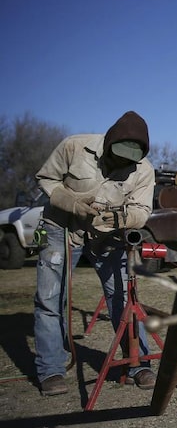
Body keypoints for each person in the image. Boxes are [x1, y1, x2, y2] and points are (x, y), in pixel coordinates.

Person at [34, 111, 157, 396]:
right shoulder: (74, 147)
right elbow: (46, 178)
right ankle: (51, 369)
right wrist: (72, 202)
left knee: (123, 298)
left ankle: (137, 364)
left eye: (128, 161)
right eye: (116, 158)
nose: (120, 164)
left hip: (107, 237)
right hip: (61, 228)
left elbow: (142, 211)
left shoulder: (144, 170)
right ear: (108, 143)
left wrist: (121, 220)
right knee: (50, 298)